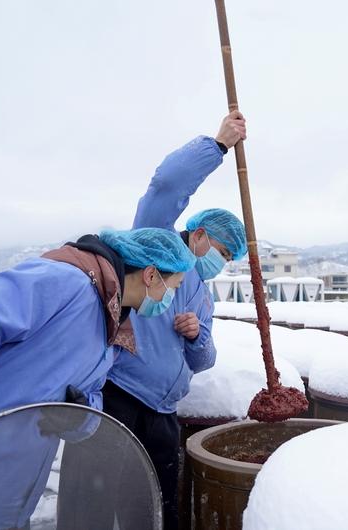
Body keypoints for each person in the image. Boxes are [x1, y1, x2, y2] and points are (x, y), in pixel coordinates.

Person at [0, 228, 195, 529]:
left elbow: (93, 395)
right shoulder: (66, 282)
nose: (172, 298)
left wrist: (78, 419)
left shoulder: (109, 324)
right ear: (151, 275)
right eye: (175, 286)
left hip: (8, 503)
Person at [62, 112, 248, 530]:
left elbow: (205, 360)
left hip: (163, 412)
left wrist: (197, 336)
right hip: (118, 396)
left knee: (153, 508)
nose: (223, 261)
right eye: (221, 249)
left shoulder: (201, 290)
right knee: (89, 506)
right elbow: (167, 185)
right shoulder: (156, 243)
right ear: (197, 234)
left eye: (230, 258)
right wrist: (217, 146)